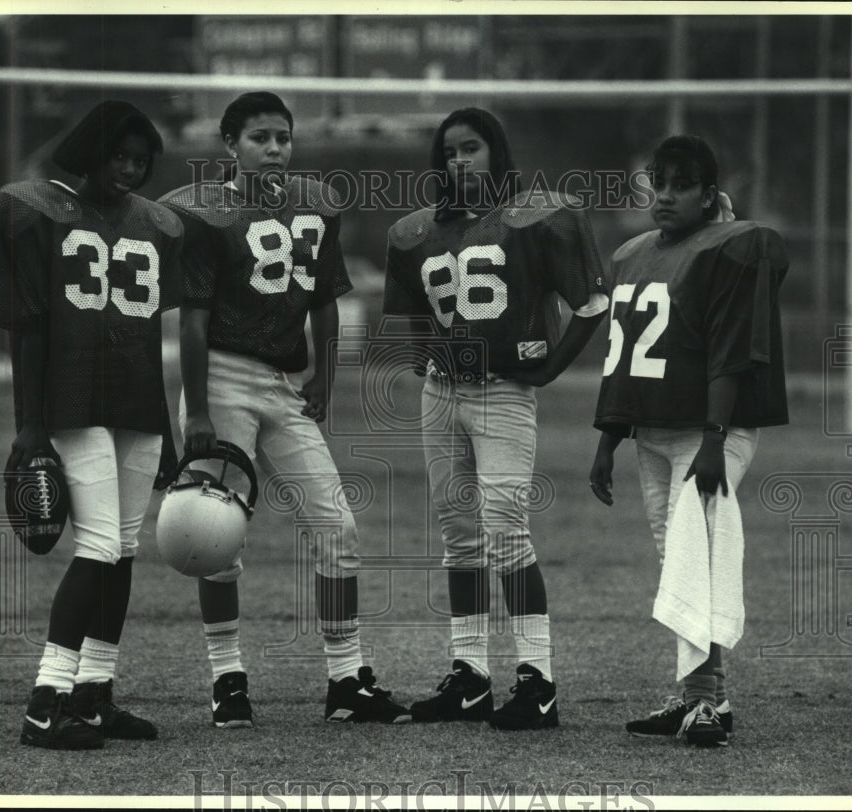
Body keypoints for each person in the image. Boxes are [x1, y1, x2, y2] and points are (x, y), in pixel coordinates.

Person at [159, 91, 411, 727]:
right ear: (229, 145)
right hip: (219, 374)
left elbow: (326, 298)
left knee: (337, 527)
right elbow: (191, 319)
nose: (274, 149)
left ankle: (346, 681)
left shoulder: (313, 205)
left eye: (282, 138)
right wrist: (195, 411)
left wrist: (324, 373)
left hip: (281, 378)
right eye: (259, 138)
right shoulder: (203, 212)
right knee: (214, 534)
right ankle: (228, 679)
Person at [383, 107, 608, 730]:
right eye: (450, 151)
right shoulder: (418, 232)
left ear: (496, 153)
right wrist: (431, 365)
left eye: (472, 148)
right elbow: (415, 320)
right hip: (442, 393)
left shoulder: (535, 217)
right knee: (459, 536)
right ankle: (471, 677)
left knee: (506, 530)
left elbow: (591, 304)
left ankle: (538, 681)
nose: (460, 160)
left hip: (503, 392)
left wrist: (549, 368)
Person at [0, 100, 183, 749]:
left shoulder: (155, 223)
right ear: (90, 151)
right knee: (98, 547)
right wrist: (27, 425)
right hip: (74, 399)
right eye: (118, 156)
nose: (128, 169)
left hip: (137, 399)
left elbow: (155, 332)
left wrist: (171, 429)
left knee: (124, 549)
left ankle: (95, 693)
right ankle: (46, 701)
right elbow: (28, 328)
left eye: (138, 160)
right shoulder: (36, 211)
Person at [589, 134, 789, 747]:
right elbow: (625, 359)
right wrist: (608, 440)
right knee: (680, 561)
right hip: (653, 429)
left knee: (694, 552)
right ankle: (706, 700)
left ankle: (705, 702)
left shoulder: (731, 248)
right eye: (660, 182)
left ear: (710, 194)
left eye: (681, 184)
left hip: (710, 431)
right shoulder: (634, 254)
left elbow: (732, 352)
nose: (666, 195)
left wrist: (713, 438)